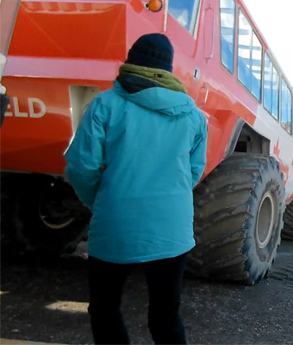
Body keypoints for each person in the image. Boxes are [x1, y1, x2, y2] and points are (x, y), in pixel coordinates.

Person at [64, 33, 207, 345]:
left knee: (104, 308)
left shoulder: (105, 104)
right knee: (166, 313)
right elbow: (194, 171)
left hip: (116, 222)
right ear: (167, 69)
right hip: (172, 229)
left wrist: (100, 201)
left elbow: (80, 166)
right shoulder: (194, 116)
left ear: (130, 61)